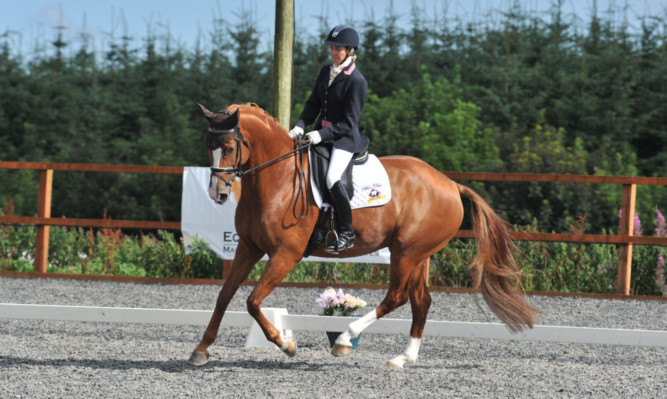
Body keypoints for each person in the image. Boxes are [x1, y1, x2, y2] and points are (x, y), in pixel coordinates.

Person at [288, 24, 368, 253]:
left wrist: (321, 134)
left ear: (350, 50)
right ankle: (318, 225)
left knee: (332, 177)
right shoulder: (326, 71)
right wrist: (300, 125)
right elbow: (313, 103)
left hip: (343, 139)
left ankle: (346, 232)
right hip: (318, 135)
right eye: (332, 47)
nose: (333, 52)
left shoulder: (357, 81)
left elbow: (348, 122)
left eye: (338, 48)